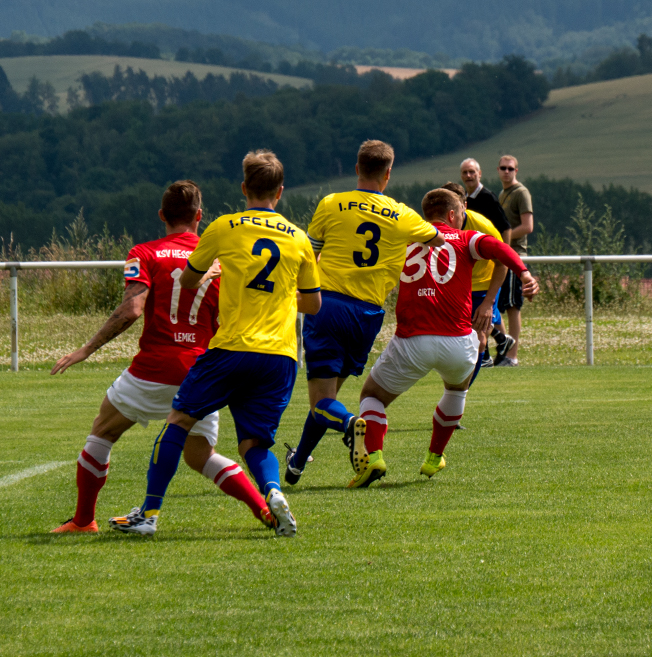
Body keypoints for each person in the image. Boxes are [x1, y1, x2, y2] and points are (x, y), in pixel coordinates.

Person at [110, 151, 321, 537]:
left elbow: (187, 282)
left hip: (232, 347)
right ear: (281, 191)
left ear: (244, 188)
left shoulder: (224, 227)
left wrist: (211, 273)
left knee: (179, 421)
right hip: (280, 355)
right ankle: (272, 491)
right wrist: (282, 297)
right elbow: (314, 304)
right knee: (254, 442)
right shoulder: (300, 238)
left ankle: (150, 514)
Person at [50, 181, 273, 534]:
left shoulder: (145, 253)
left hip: (152, 369)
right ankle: (264, 509)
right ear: (200, 216)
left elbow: (131, 310)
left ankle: (83, 520)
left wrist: (86, 349)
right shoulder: (219, 261)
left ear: (161, 216)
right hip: (200, 371)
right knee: (200, 455)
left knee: (102, 432)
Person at [349, 188, 539, 487]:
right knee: (457, 389)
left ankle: (373, 456)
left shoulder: (405, 238)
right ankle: (434, 457)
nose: (463, 217)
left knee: (372, 396)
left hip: (412, 340)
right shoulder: (465, 239)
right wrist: (525, 274)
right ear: (453, 215)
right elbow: (502, 249)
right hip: (458, 341)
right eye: (461, 213)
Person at [284, 140, 444, 486]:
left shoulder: (331, 204)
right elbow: (439, 240)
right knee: (327, 399)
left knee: (323, 403)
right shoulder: (402, 214)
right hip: (368, 316)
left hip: (328, 308)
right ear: (388, 174)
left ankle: (351, 424)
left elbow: (309, 257)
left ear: (357, 168)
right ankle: (297, 463)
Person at [440, 181, 504, 382]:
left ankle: (462, 390)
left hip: (482, 287)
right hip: (454, 288)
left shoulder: (483, 227)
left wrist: (488, 303)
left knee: (479, 341)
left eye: (455, 208)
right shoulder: (437, 226)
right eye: (445, 208)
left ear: (464, 206)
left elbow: (502, 264)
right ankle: (502, 340)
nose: (450, 214)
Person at [459, 159, 516, 367]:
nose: (468, 176)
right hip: (477, 264)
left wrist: (504, 256)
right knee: (485, 308)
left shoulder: (487, 198)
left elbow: (505, 227)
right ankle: (500, 342)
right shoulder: (464, 199)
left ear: (479, 173)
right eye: (465, 172)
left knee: (481, 309)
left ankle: (486, 355)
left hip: (491, 264)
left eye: (471, 172)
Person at [496, 155, 534, 366]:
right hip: (504, 255)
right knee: (496, 305)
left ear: (516, 171)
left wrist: (503, 241)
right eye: (503, 168)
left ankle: (512, 356)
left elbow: (528, 226)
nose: (506, 172)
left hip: (516, 256)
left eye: (510, 168)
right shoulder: (503, 194)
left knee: (512, 307)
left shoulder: (521, 193)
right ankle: (503, 351)